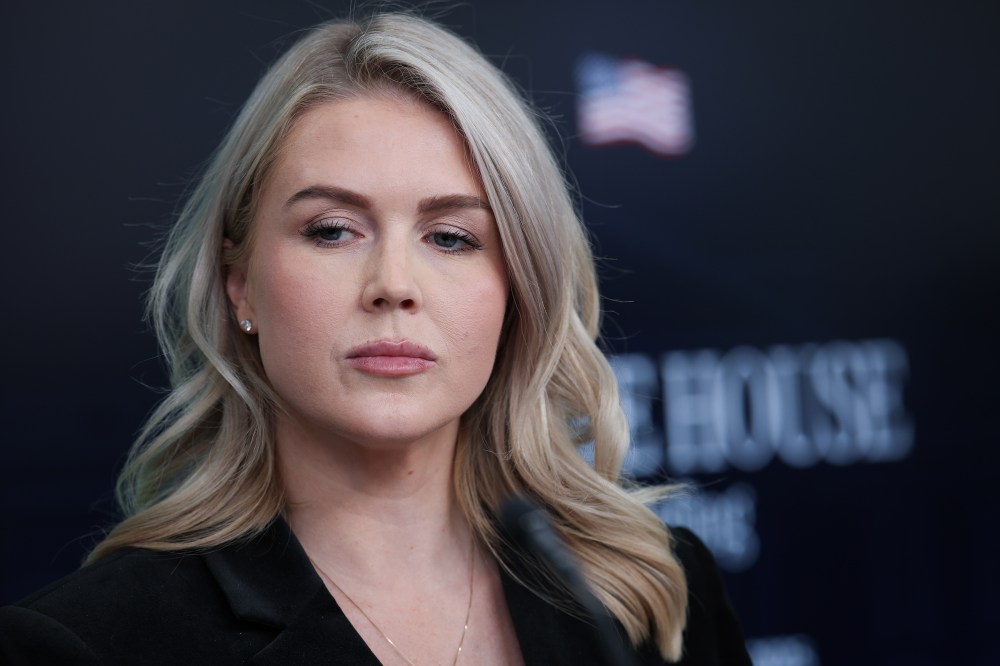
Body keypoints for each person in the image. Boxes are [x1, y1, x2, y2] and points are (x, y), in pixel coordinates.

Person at [0, 11, 750, 665]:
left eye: (451, 238)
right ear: (239, 288)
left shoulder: (651, 598)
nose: (394, 283)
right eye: (332, 231)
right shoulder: (86, 645)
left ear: (517, 291)